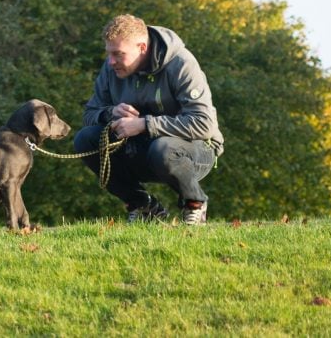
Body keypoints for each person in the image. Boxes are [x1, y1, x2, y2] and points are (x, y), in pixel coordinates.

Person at [74, 14, 224, 225]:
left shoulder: (181, 64)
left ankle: (195, 204)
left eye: (118, 54)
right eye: (108, 54)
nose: (111, 62)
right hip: (141, 149)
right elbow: (89, 115)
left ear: (142, 48)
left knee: (162, 149)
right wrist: (111, 112)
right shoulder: (111, 68)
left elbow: (203, 124)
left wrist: (144, 124)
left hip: (194, 150)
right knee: (84, 139)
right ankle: (143, 205)